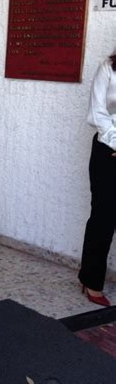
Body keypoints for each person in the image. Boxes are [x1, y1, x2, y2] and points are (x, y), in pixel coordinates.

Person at [78, 52, 116, 307]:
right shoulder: (108, 69)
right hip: (108, 151)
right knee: (104, 217)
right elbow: (97, 113)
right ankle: (91, 280)